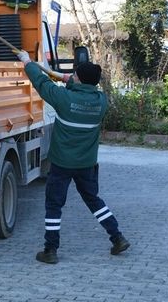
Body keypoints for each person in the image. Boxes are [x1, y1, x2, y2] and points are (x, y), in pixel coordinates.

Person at [16, 51, 130, 264]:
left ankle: (50, 250)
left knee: (54, 205)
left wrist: (28, 63)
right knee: (93, 200)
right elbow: (79, 86)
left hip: (62, 164)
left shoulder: (63, 98)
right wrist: (68, 78)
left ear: (79, 79)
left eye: (75, 75)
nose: (72, 77)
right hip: (86, 164)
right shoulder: (100, 101)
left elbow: (42, 83)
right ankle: (117, 237)